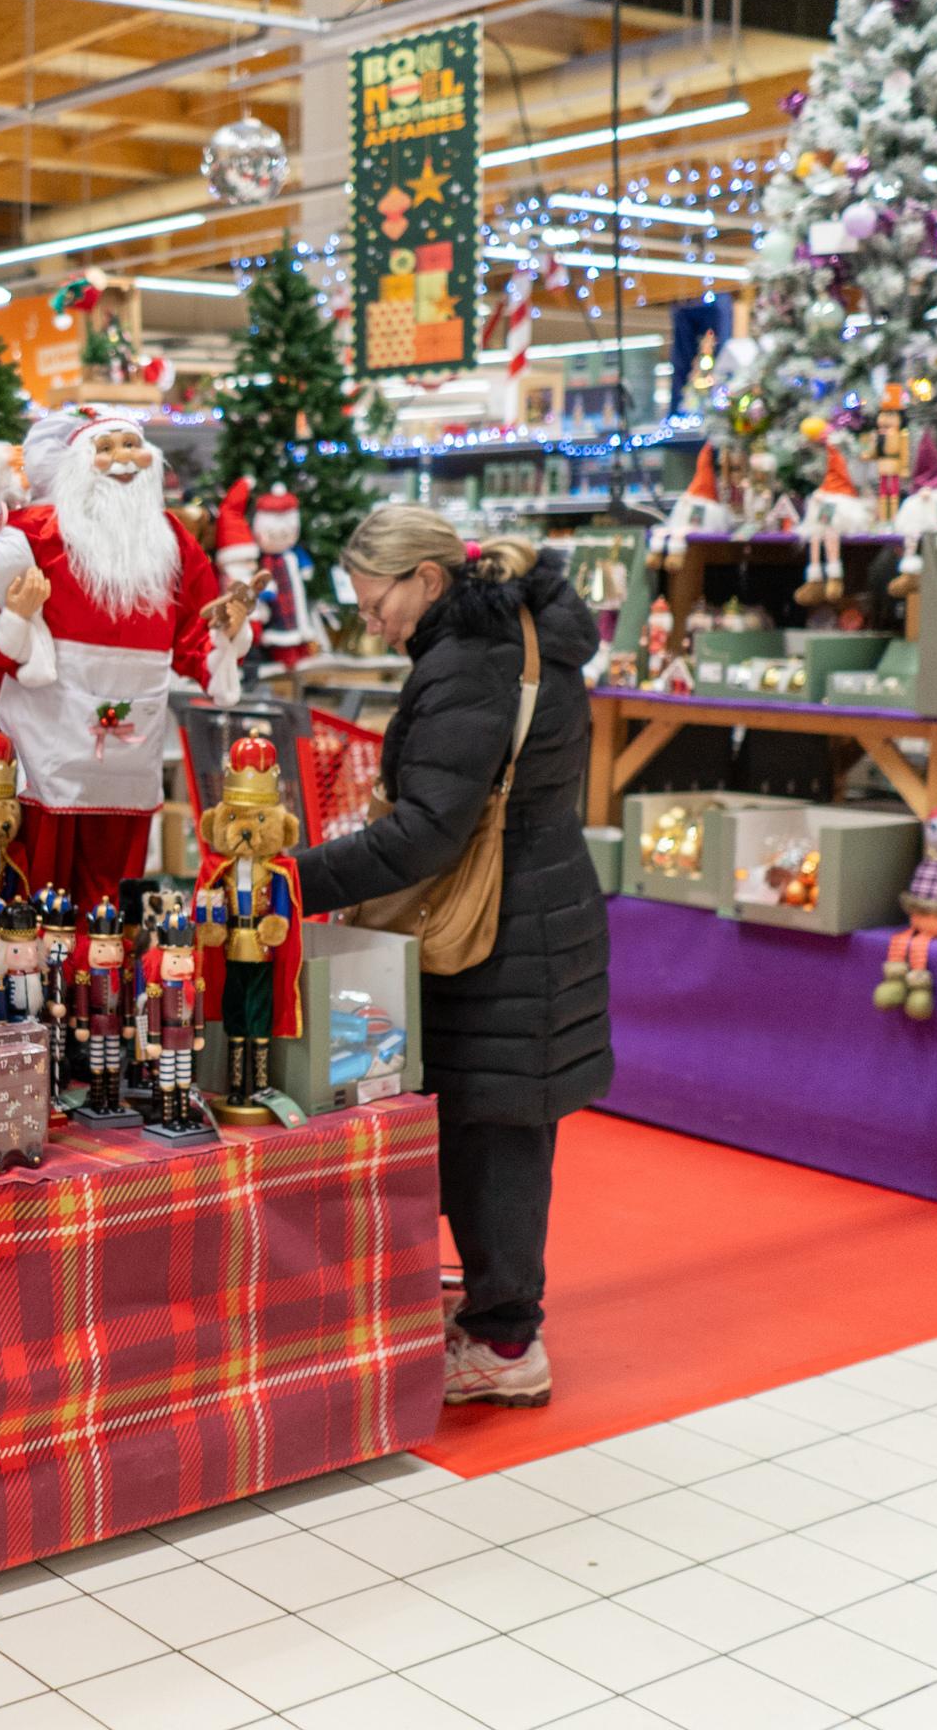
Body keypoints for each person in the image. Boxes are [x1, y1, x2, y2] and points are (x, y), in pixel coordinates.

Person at [293, 507, 609, 1409]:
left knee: (495, 1136)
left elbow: (428, 833)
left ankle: (509, 1343)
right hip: (536, 908)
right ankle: (492, 1311)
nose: (373, 625)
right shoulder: (525, 632)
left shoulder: (468, 662)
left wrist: (291, 881)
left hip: (501, 927)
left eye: (377, 604)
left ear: (427, 580)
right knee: (492, 1125)